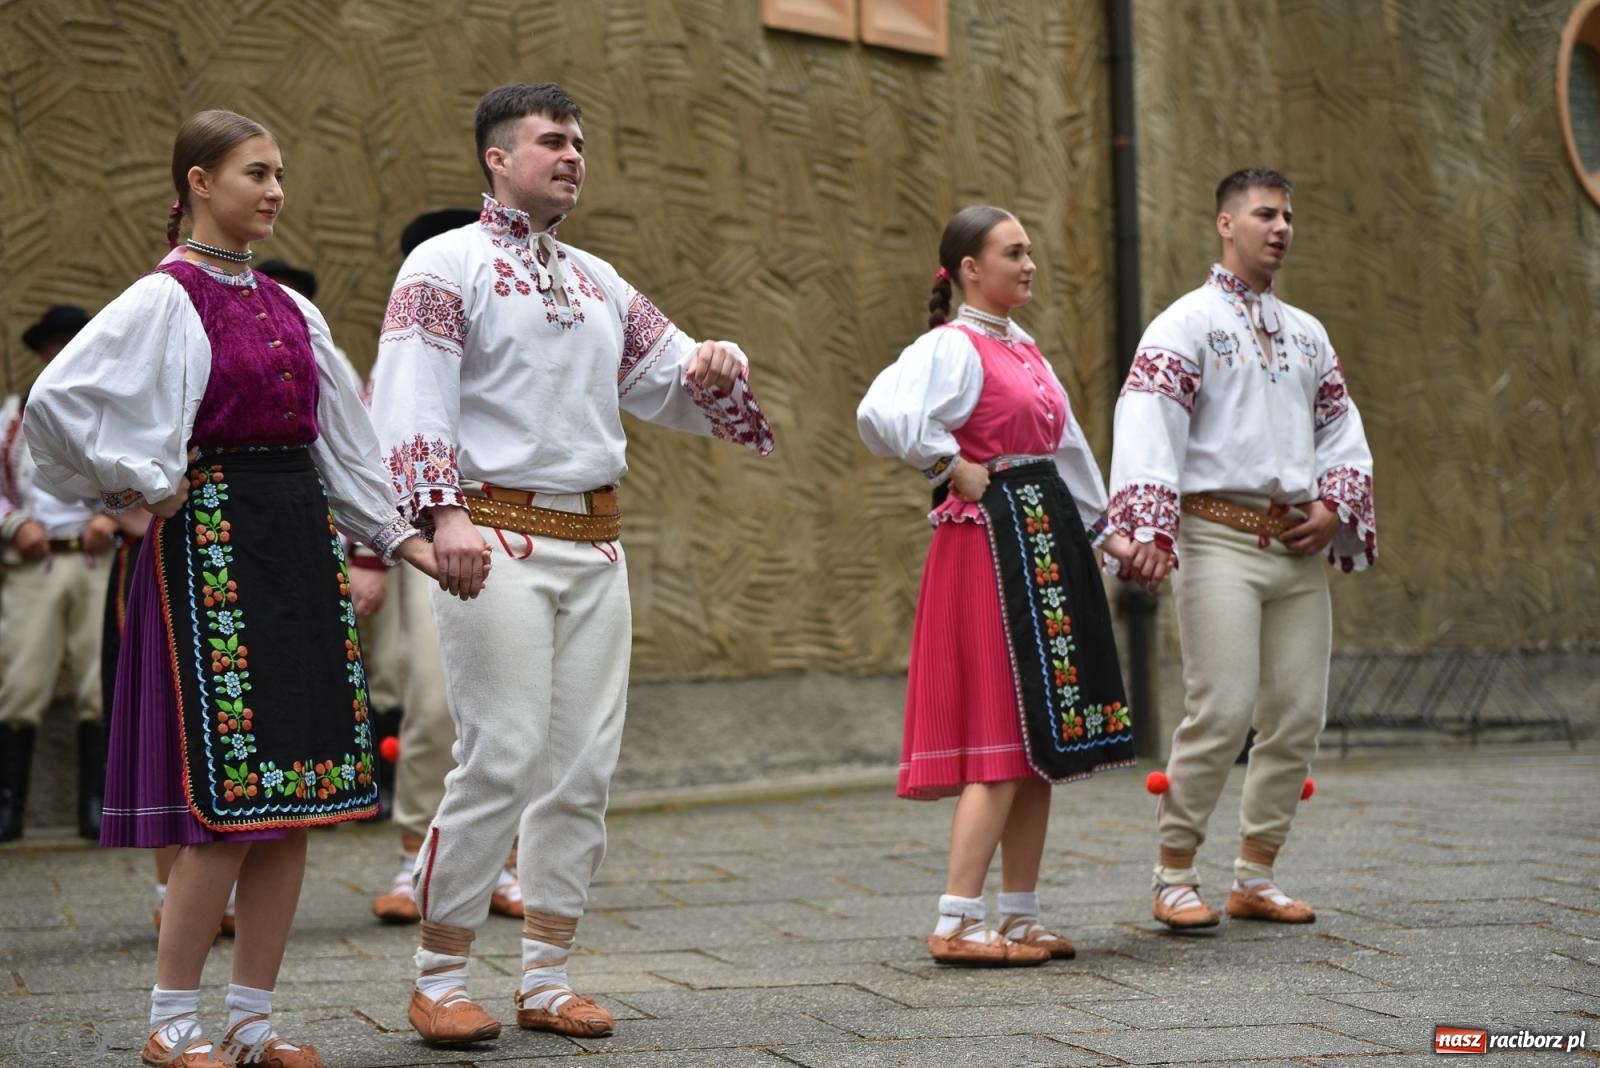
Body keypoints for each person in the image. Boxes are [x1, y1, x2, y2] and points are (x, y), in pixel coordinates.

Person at [24, 109, 443, 1068]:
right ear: (200, 183)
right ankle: (173, 1024)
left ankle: (253, 1022)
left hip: (298, 540)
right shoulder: (164, 298)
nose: (275, 189)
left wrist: (397, 538)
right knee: (228, 800)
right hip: (213, 541)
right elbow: (56, 405)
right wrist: (141, 484)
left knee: (297, 802)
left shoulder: (292, 309)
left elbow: (345, 439)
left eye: (281, 173)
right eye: (255, 172)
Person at [370, 82, 773, 1045]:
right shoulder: (442, 262)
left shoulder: (598, 278)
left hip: (595, 543)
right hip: (494, 535)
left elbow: (669, 375)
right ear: (496, 159)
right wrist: (441, 515)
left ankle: (546, 976)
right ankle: (441, 973)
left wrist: (718, 359)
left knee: (582, 767)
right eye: (552, 140)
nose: (573, 154)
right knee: (502, 753)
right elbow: (410, 392)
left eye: (580, 141)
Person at [857, 206, 1136, 966]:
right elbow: (880, 412)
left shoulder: (1025, 351)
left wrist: (1107, 532)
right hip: (992, 548)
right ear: (969, 270)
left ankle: (1017, 913)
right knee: (1005, 735)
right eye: (1013, 252)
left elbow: (1068, 450)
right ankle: (955, 919)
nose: (1030, 263)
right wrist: (947, 465)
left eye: (1030, 251)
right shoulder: (953, 347)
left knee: (1040, 740)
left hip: (1044, 539)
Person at [1105, 168, 1376, 930]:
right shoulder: (1183, 324)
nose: (1281, 227)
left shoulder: (1309, 333)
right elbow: (1149, 422)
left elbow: (1342, 434)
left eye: (1288, 215)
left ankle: (1255, 875)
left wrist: (1334, 506)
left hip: (1296, 545)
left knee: (1297, 714)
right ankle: (1174, 873)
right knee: (1221, 708)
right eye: (1265, 214)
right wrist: (1148, 531)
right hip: (1216, 536)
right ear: (1227, 223)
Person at [341, 211, 526, 926]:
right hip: (427, 548)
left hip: (523, 540)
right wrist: (368, 555)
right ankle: (417, 855)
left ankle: (507, 864)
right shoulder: (399, 355)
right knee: (431, 704)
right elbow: (367, 459)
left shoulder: (525, 338)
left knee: (518, 710)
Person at [0, 303, 117, 841]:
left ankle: (98, 804)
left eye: (71, 341)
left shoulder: (109, 412)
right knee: (20, 682)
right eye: (53, 343)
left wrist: (107, 517)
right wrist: (15, 524)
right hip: (36, 562)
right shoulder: (11, 417)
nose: (61, 351)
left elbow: (139, 472)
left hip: (98, 562)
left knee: (100, 683)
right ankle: (9, 806)